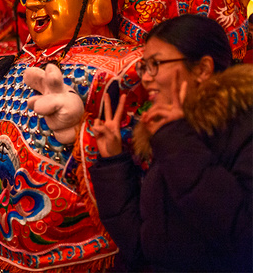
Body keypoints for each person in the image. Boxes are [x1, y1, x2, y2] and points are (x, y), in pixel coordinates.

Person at [0, 0, 149, 271]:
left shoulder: (130, 68)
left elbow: (150, 170)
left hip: (86, 255)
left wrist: (82, 135)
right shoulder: (12, 66)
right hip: (3, 250)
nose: (31, 4)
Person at [90, 14, 253, 272]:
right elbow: (142, 246)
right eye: (145, 66)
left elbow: (241, 237)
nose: (145, 78)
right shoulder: (168, 133)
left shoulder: (243, 125)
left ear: (202, 69)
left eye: (156, 64)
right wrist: (112, 161)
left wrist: (178, 138)